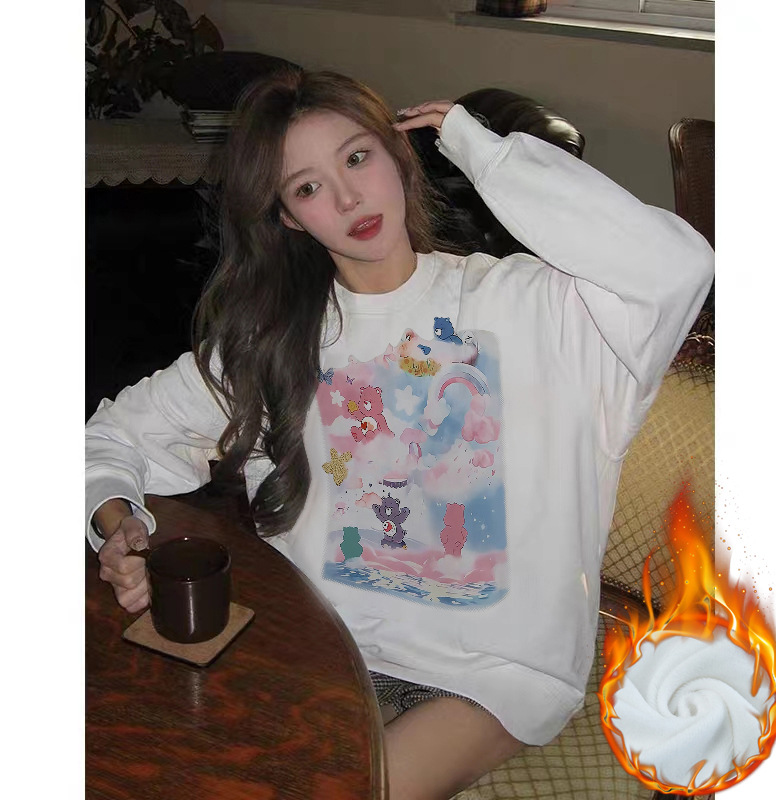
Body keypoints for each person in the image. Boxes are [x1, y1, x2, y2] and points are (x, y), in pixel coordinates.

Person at [86, 67, 714, 799]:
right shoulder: (272, 342)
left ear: (398, 157)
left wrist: (483, 151)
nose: (348, 197)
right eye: (309, 187)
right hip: (318, 647)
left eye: (358, 158)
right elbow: (109, 438)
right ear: (289, 218)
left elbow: (679, 267)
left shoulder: (538, 308)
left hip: (487, 677)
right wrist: (119, 522)